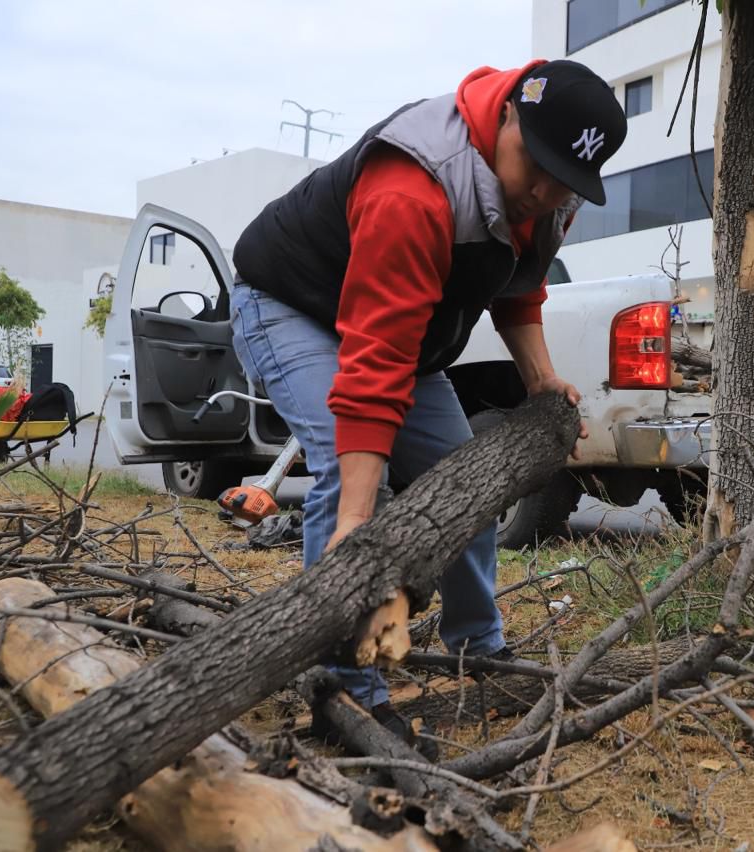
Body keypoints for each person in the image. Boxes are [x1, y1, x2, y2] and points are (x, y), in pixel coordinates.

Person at [228, 59, 627, 735]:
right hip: (291, 303)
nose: (541, 189)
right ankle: (347, 685)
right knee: (350, 476)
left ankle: (480, 647)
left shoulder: (552, 196)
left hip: (398, 336)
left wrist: (540, 379)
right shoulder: (413, 187)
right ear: (506, 114)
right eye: (534, 163)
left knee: (467, 478)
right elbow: (373, 357)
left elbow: (520, 284)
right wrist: (357, 515)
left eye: (562, 180)